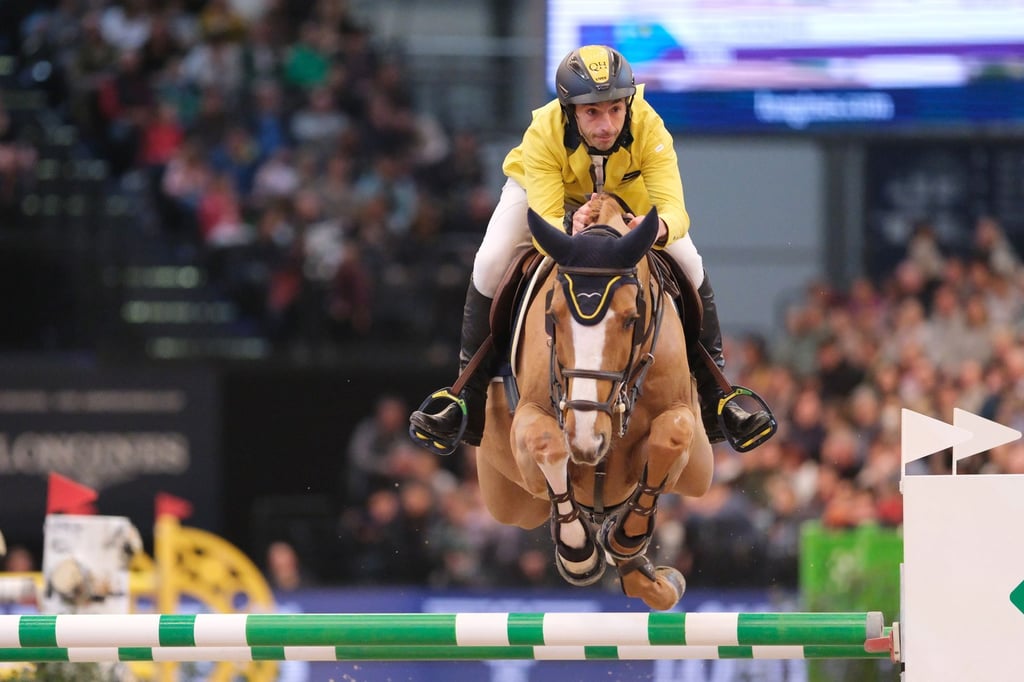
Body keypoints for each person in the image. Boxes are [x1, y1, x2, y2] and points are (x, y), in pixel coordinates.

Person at [410, 45, 771, 452]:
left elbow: (674, 209)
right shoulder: (543, 131)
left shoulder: (650, 125)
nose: (606, 125)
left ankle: (718, 397)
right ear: (570, 111)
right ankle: (465, 398)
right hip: (550, 198)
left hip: (629, 201)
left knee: (690, 261)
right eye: (592, 112)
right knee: (491, 260)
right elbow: (545, 219)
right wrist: (569, 225)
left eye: (616, 110)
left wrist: (659, 228)